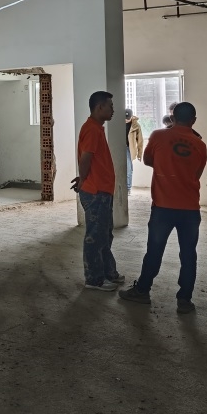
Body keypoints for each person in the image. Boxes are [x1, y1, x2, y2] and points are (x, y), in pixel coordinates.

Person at [118, 102, 207, 314]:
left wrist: (166, 163)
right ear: (194, 120)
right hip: (190, 208)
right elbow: (197, 173)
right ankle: (184, 300)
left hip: (163, 207)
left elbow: (148, 160)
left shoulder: (158, 136)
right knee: (188, 255)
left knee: (154, 250)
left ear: (173, 118)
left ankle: (142, 291)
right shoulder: (200, 144)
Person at [72, 91, 124, 292]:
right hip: (95, 192)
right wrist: (83, 179)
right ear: (99, 107)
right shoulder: (92, 129)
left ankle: (109, 272)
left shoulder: (96, 128)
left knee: (104, 234)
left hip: (102, 190)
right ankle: (94, 280)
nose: (113, 110)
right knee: (95, 236)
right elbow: (86, 158)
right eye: (110, 106)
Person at [124, 109, 143, 195]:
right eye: (125, 118)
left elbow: (140, 140)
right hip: (119, 147)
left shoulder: (136, 125)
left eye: (128, 118)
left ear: (131, 117)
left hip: (129, 149)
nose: (126, 119)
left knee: (128, 169)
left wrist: (139, 154)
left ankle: (128, 188)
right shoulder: (118, 123)